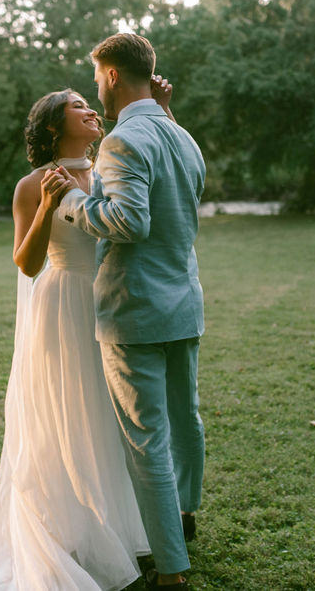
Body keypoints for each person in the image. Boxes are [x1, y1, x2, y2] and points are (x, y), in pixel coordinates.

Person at [0, 88, 155, 590]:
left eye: (88, 102)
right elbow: (26, 262)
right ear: (54, 126)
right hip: (62, 304)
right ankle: (69, 531)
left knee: (112, 416)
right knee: (68, 417)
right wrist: (48, 206)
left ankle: (118, 529)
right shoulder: (32, 184)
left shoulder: (111, 169)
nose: (90, 110)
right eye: (77, 106)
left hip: (113, 300)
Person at [52, 33, 206, 591]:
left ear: (112, 75)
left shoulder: (121, 142)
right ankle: (184, 518)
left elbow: (130, 221)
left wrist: (72, 203)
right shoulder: (182, 135)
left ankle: (171, 567)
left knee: (148, 437)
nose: (96, 89)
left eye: (97, 78)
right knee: (185, 420)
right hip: (183, 300)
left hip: (136, 308)